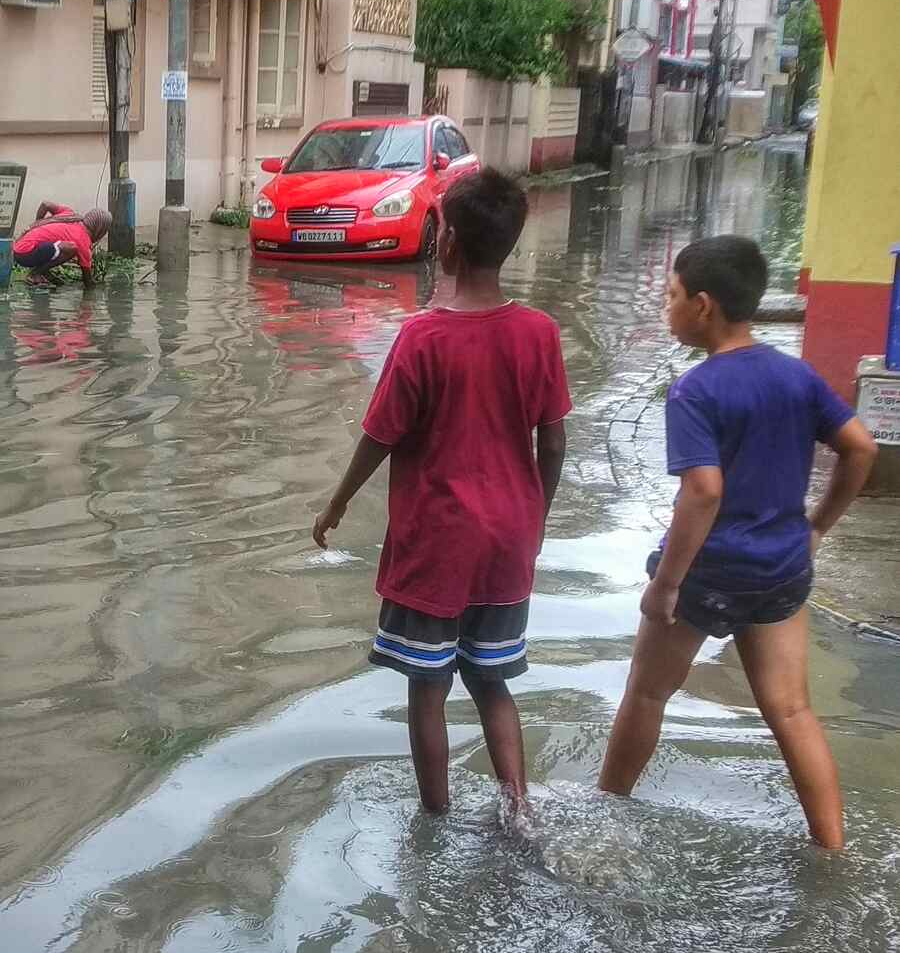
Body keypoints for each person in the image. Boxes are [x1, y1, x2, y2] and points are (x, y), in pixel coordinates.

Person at [599, 235, 877, 850]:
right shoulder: (797, 376)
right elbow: (862, 447)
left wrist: (665, 586)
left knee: (647, 692)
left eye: (670, 297)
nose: (664, 308)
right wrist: (817, 525)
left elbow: (702, 492)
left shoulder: (696, 390)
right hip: (781, 569)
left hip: (708, 572)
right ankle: (832, 847)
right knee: (792, 711)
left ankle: (603, 814)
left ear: (703, 306)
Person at [313, 169, 571, 813]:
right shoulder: (539, 332)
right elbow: (555, 443)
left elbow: (380, 436)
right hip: (510, 539)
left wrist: (339, 500)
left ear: (447, 242)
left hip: (438, 543)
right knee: (492, 681)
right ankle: (518, 811)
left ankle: (435, 817)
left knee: (427, 689)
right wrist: (533, 518)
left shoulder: (422, 336)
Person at [12, 201, 111, 288]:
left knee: (59, 246)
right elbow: (87, 281)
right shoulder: (83, 241)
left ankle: (42, 272)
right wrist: (98, 288)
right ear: (100, 230)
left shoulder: (70, 215)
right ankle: (35, 274)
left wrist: (36, 224)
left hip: (19, 247)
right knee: (71, 249)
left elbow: (45, 204)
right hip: (25, 254)